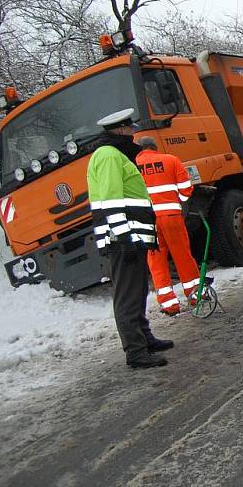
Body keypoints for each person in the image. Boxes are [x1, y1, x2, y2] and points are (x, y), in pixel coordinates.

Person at [87, 109, 172, 369]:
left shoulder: (114, 154)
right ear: (120, 130)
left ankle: (144, 338)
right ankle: (135, 352)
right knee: (127, 295)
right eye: (130, 129)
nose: (134, 133)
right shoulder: (109, 155)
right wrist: (123, 236)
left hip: (129, 234)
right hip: (121, 237)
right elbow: (111, 200)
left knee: (137, 290)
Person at [135, 137, 201, 316]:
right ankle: (195, 295)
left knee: (156, 261)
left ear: (139, 149)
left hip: (147, 220)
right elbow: (186, 189)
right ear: (155, 148)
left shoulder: (132, 166)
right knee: (183, 256)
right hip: (171, 217)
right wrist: (180, 202)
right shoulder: (171, 160)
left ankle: (169, 304)